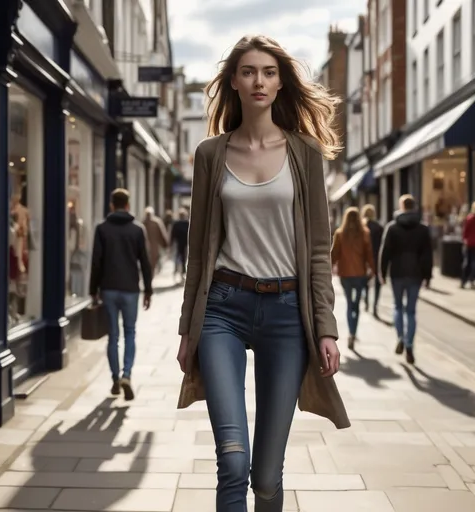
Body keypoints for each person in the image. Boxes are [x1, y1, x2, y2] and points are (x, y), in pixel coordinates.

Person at [175, 35, 350, 512]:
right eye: (249, 71)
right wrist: (187, 328)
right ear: (233, 81)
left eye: (269, 72)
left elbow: (317, 250)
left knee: (267, 475)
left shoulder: (305, 153)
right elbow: (197, 250)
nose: (259, 80)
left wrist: (327, 328)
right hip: (222, 312)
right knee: (233, 462)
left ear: (279, 83)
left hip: (287, 314)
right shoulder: (210, 154)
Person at [89, 188, 153, 401]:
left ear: (111, 205)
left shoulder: (102, 229)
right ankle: (127, 374)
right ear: (127, 205)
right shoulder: (137, 230)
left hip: (108, 288)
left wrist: (92, 290)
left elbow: (96, 262)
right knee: (130, 333)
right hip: (130, 290)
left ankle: (115, 378)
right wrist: (149, 290)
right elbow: (145, 262)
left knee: (113, 336)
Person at [379, 194, 433, 364]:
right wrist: (428, 276)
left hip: (397, 273)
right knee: (411, 311)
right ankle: (409, 344)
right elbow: (427, 255)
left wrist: (382, 272)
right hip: (415, 274)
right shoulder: (423, 229)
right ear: (414, 206)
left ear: (401, 206)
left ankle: (400, 337)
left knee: (397, 307)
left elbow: (385, 251)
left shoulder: (392, 227)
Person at [331, 207, 375, 350]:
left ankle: (350, 333)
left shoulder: (340, 233)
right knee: (356, 305)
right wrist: (373, 270)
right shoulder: (365, 233)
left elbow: (334, 254)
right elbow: (369, 254)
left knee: (350, 304)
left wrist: (327, 268)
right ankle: (353, 332)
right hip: (360, 274)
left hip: (345, 274)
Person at [361, 204, 384, 318]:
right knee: (377, 283)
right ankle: (375, 306)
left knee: (365, 281)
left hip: (364, 259)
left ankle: (366, 301)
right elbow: (382, 245)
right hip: (376, 258)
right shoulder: (379, 227)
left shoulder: (361, 227)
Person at [461, 200, 475, 289]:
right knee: (467, 263)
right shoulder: (470, 219)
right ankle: (463, 281)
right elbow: (465, 231)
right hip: (468, 243)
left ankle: (471, 280)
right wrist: (465, 240)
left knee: (473, 263)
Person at [142, 206, 169, 274]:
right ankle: (150, 277)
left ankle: (149, 277)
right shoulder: (157, 222)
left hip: (145, 247)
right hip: (154, 247)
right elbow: (162, 234)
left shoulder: (143, 222)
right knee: (152, 264)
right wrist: (165, 244)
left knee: (147, 264)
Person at [170, 208, 189, 281]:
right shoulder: (187, 223)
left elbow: (172, 235)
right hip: (184, 244)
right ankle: (181, 273)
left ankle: (178, 272)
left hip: (180, 244)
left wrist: (171, 244)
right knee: (183, 259)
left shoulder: (177, 224)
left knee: (178, 259)